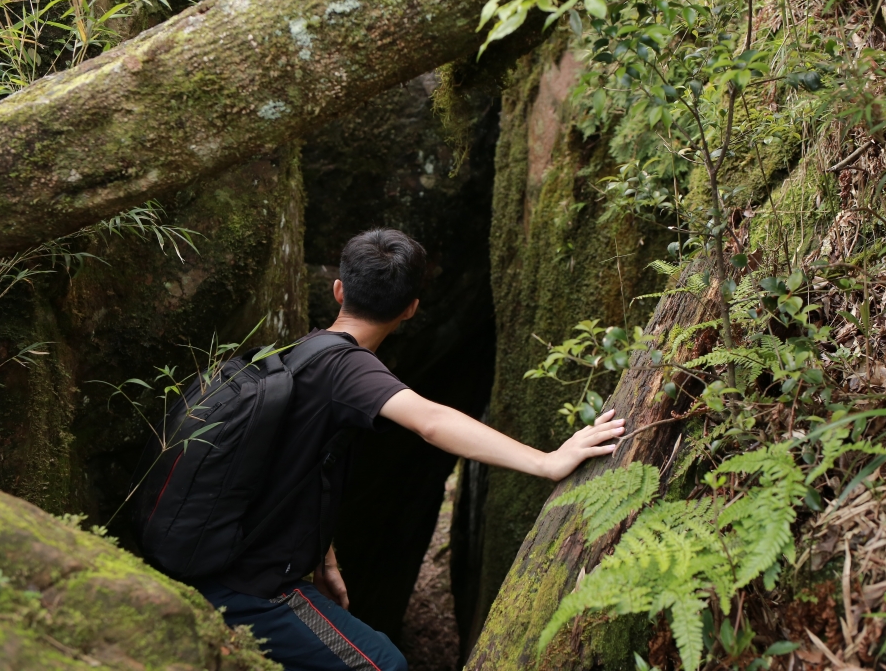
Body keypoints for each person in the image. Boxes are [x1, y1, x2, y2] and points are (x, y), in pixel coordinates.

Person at [193, 228, 625, 671]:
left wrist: (324, 558)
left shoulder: (296, 351)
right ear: (411, 309)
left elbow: (297, 468)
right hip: (250, 589)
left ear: (338, 289)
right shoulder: (349, 369)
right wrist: (548, 461)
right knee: (384, 665)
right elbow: (433, 422)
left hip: (212, 558)